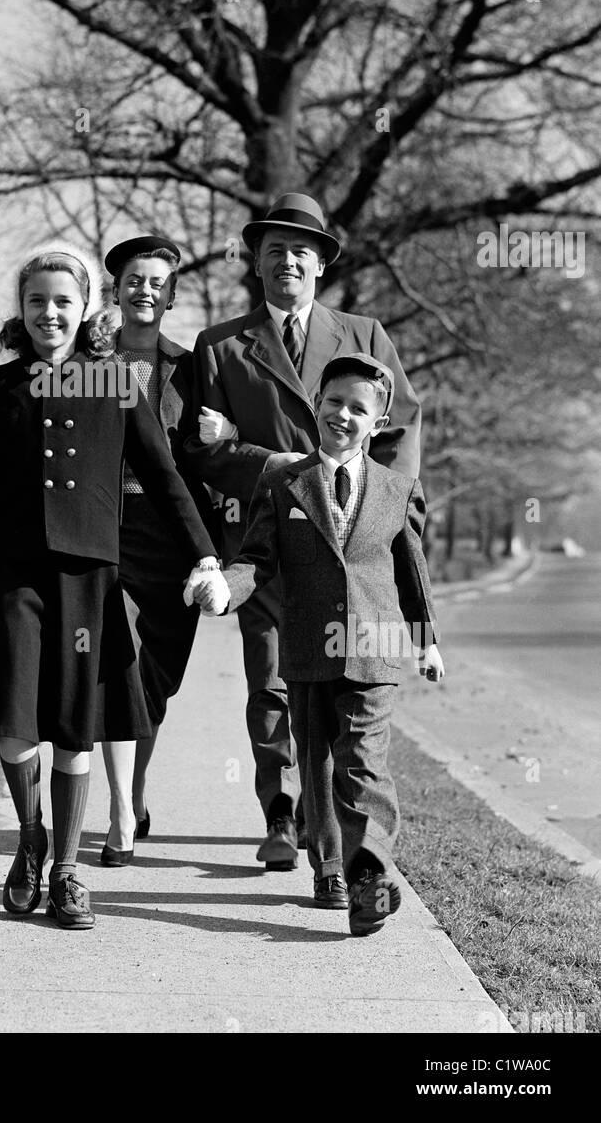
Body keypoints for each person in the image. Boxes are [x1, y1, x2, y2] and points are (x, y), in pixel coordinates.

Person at [0, 249, 224, 930]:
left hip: (88, 580)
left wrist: (204, 556)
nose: (50, 313)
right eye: (37, 301)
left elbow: (165, 478)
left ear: (85, 310)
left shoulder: (117, 382)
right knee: (17, 725)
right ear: (21, 310)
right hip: (17, 577)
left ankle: (70, 872)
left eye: (63, 302)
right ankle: (31, 839)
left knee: (78, 724)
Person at [185, 193, 421, 872]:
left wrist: (390, 508)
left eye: (301, 250)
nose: (288, 261)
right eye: (274, 250)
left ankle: (341, 839)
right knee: (271, 685)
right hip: (268, 541)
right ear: (255, 263)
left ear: (320, 264)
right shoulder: (221, 346)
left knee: (348, 697)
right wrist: (272, 462)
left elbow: (400, 428)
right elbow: (200, 451)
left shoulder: (366, 336)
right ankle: (280, 812)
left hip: (349, 549)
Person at [189, 354, 445, 936]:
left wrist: (425, 641)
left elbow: (413, 573)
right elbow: (257, 559)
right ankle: (330, 868)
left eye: (359, 408)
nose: (344, 415)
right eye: (334, 402)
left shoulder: (398, 488)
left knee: (364, 761)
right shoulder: (283, 481)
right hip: (304, 646)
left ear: (378, 423)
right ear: (316, 406)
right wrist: (226, 589)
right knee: (318, 762)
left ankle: (370, 875)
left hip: (374, 651)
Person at [96, 235, 220, 864]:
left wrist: (220, 433)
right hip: (105, 526)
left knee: (156, 681)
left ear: (172, 295)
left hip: (173, 535)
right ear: (116, 289)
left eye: (158, 282)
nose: (145, 290)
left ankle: (134, 790)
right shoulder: (87, 362)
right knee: (120, 660)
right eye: (133, 280)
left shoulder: (194, 367)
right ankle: (119, 809)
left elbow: (212, 455)